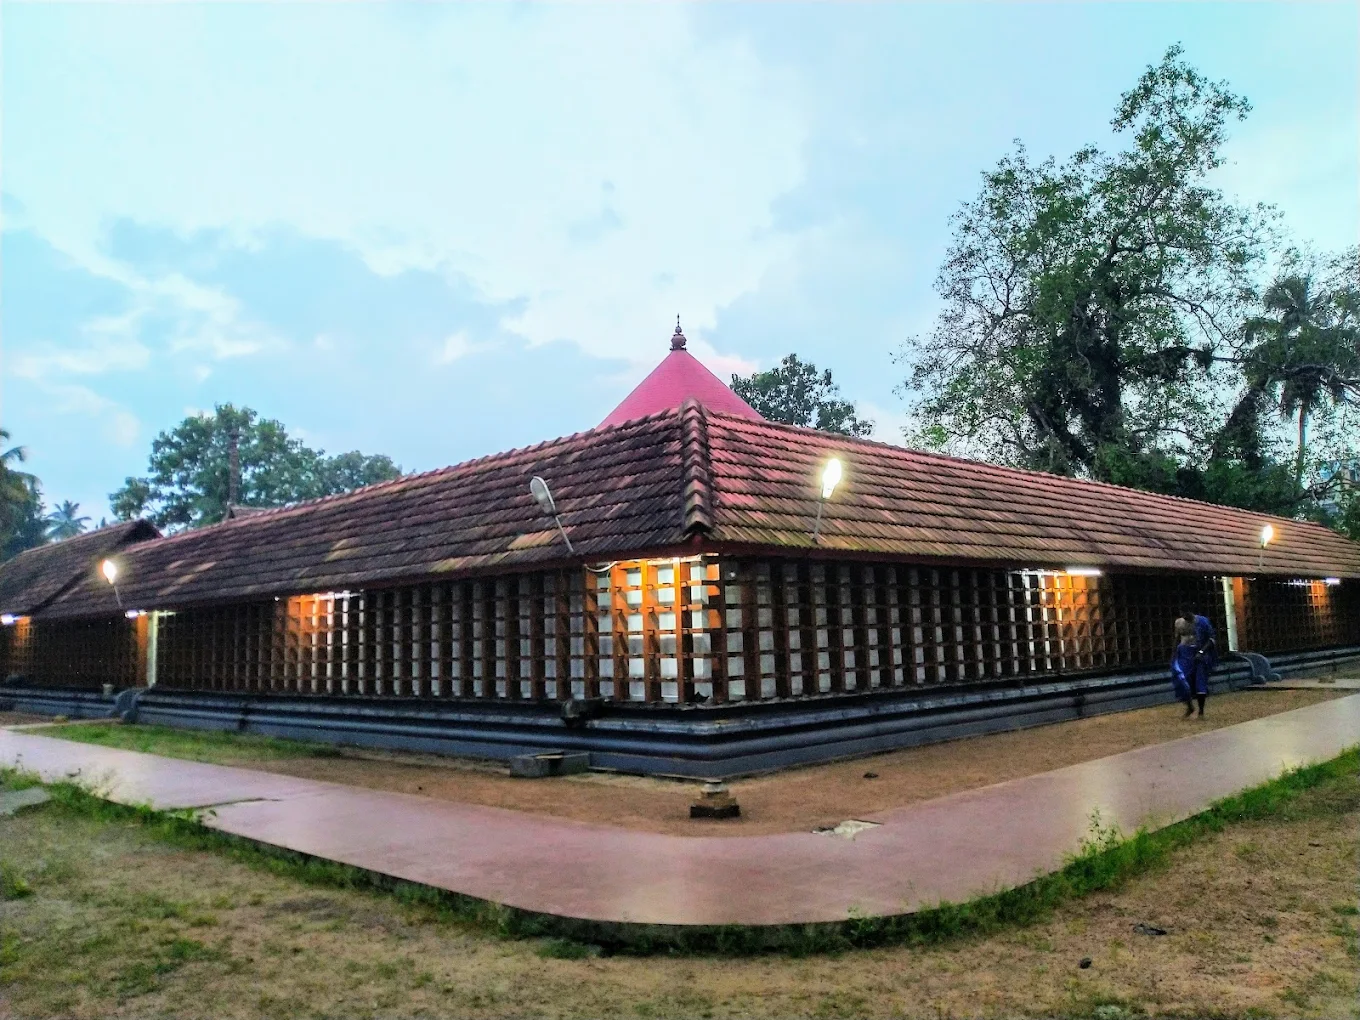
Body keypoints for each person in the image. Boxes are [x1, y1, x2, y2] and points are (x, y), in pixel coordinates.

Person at [1172, 604, 1217, 717]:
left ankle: (1201, 710)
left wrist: (1202, 652)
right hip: (1184, 653)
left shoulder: (1202, 622)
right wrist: (1174, 655)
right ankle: (1190, 706)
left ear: (1191, 612)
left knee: (1200, 681)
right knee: (1182, 679)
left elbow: (1211, 639)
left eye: (1186, 613)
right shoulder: (1179, 623)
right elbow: (1177, 639)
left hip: (1199, 653)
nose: (1184, 616)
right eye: (1182, 614)